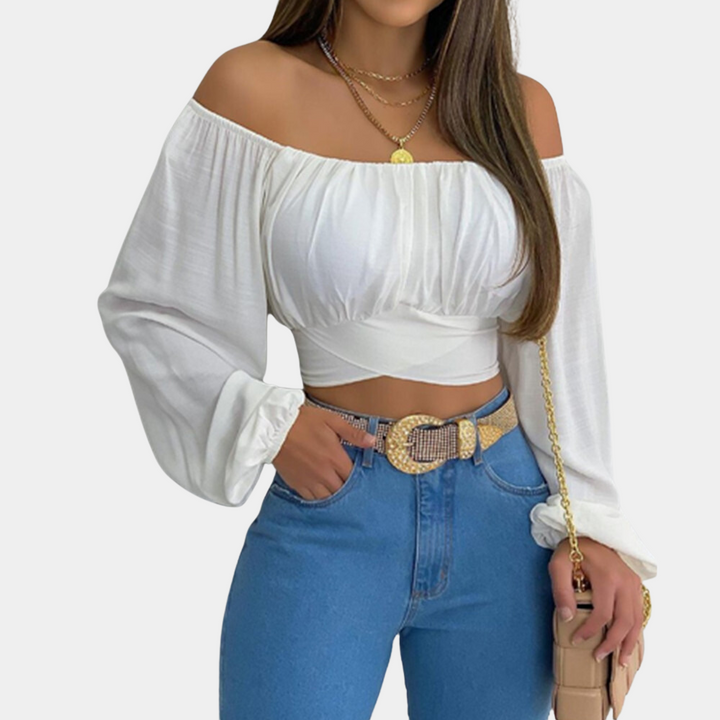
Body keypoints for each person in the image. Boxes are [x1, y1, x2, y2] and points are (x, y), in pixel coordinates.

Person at [96, 1, 658, 718]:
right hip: (333, 506)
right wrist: (267, 423)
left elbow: (559, 337)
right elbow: (152, 308)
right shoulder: (251, 88)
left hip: (504, 517)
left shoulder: (520, 109)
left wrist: (594, 526)